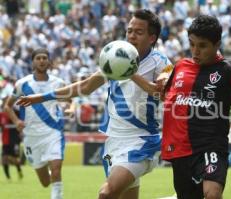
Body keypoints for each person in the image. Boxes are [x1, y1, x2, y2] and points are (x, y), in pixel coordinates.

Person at [131, 14, 231, 199]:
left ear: (217, 45)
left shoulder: (229, 72)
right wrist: (134, 75)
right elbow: (161, 95)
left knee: (212, 194)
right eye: (192, 44)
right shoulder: (179, 67)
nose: (195, 51)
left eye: (202, 46)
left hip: (210, 147)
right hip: (180, 150)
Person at [15, 9, 173, 199]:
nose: (131, 35)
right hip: (114, 142)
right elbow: (86, 86)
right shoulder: (116, 56)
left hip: (142, 142)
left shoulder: (162, 63)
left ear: (152, 37)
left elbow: (163, 93)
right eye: (129, 30)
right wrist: (41, 97)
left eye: (138, 32)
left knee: (106, 194)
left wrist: (130, 72)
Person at [4, 48, 72, 199]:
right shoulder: (22, 84)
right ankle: (49, 175)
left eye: (44, 58)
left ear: (49, 61)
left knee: (56, 170)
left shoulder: (59, 82)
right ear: (33, 62)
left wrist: (69, 109)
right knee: (45, 182)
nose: (41, 61)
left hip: (53, 132)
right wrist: (16, 121)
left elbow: (70, 101)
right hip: (31, 136)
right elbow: (7, 106)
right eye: (38, 58)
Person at [1, 100, 23, 181]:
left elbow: (21, 123)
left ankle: (19, 170)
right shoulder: (1, 115)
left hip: (15, 139)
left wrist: (21, 133)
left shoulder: (16, 113)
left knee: (15, 159)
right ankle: (8, 177)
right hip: (5, 140)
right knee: (4, 159)